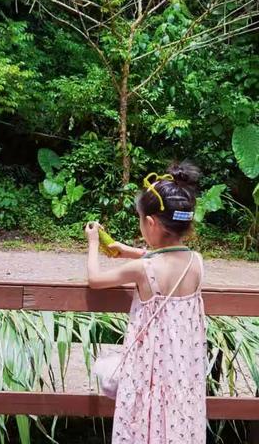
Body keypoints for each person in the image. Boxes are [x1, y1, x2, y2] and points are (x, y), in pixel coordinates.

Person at [86, 161, 207, 444]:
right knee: (174, 425)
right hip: (181, 375)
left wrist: (94, 242)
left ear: (150, 223)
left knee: (145, 424)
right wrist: (130, 251)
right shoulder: (197, 263)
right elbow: (168, 260)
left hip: (148, 373)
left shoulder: (143, 271)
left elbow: (95, 278)